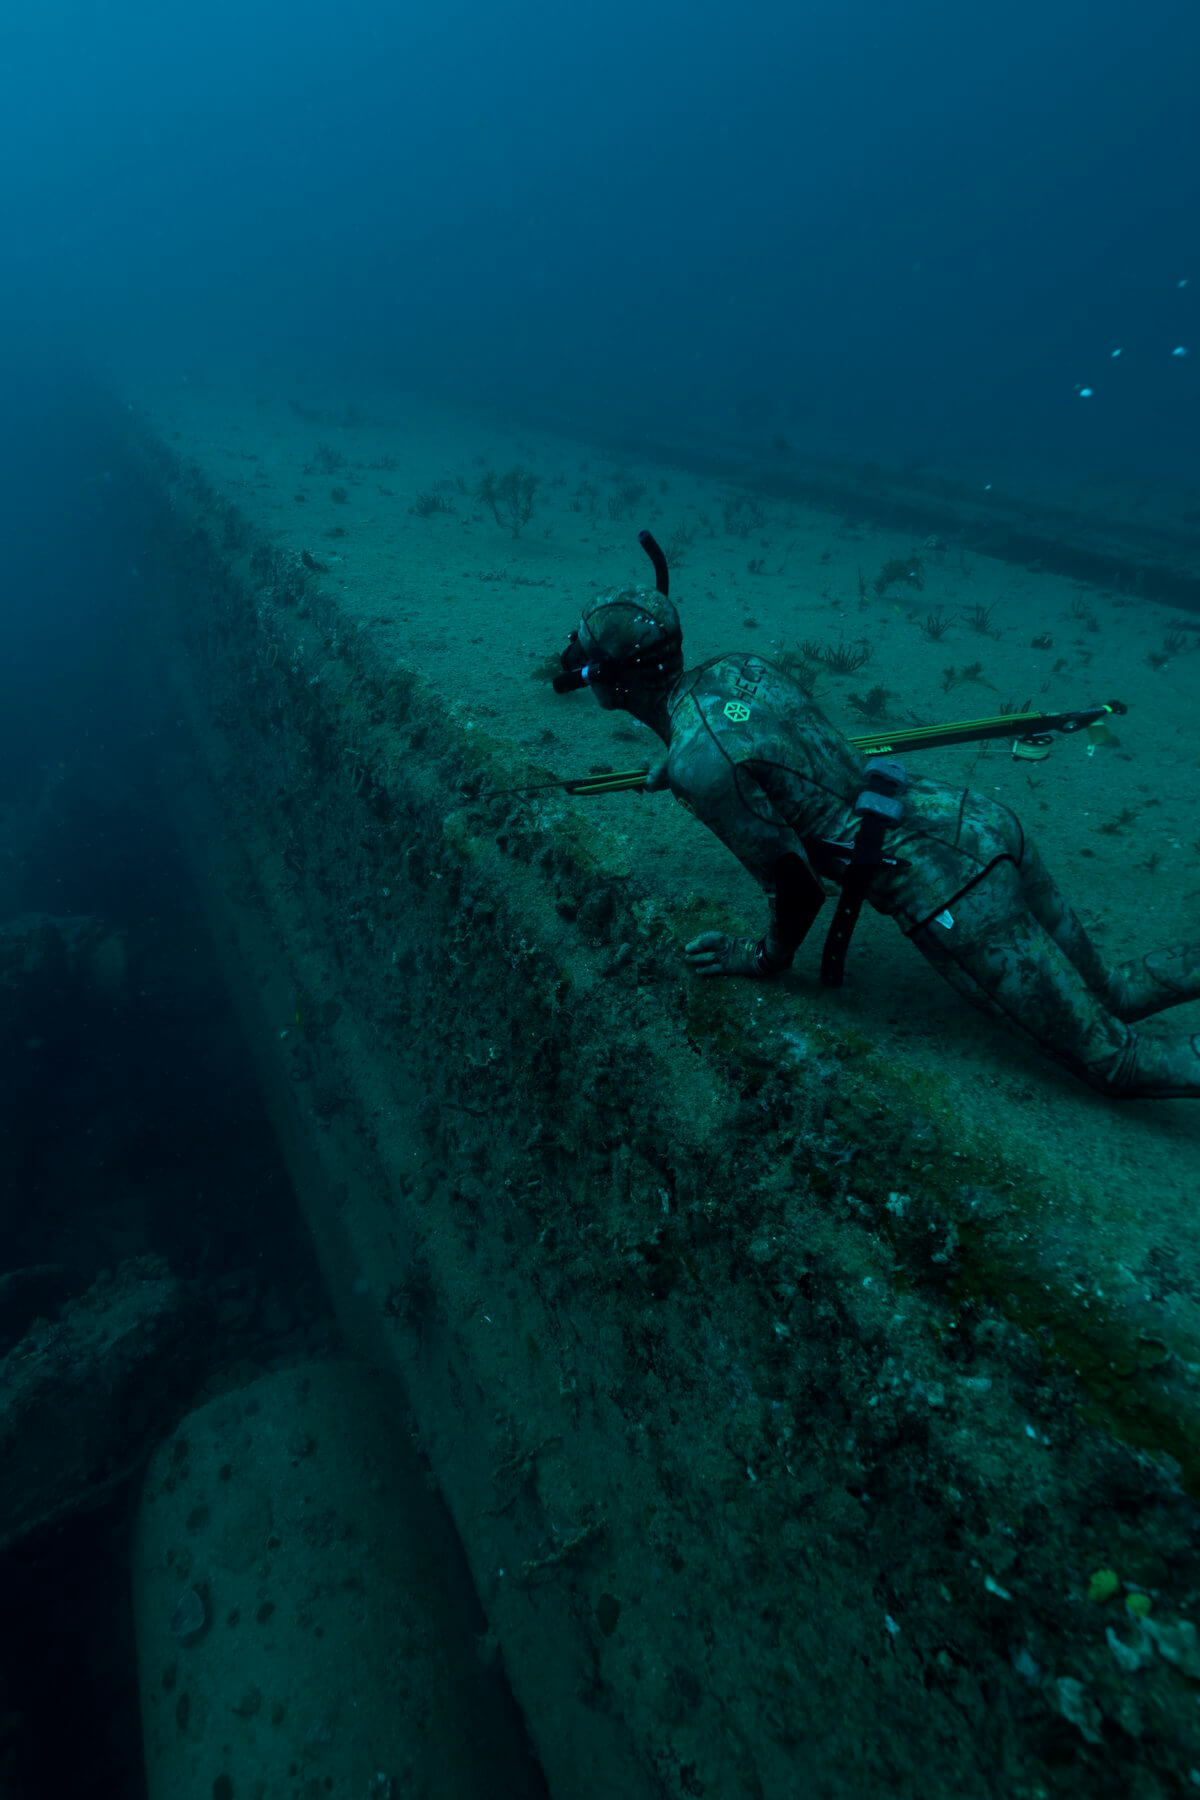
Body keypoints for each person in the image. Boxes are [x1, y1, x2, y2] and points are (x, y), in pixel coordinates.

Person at [553, 554, 1200, 1098]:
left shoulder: (700, 761)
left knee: (1113, 1060)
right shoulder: (738, 670)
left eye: (585, 660)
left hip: (948, 888)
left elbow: (799, 888)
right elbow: (762, 744)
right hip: (969, 818)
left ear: (607, 681)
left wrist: (763, 956)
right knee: (1110, 989)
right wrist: (682, 757)